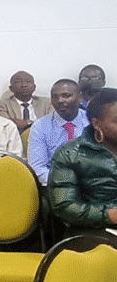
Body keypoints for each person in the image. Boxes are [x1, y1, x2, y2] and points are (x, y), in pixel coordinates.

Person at [48, 87, 117, 247]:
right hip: (90, 231)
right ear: (96, 123)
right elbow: (64, 206)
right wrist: (108, 215)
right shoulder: (70, 153)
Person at [28, 79, 90, 185]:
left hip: (91, 182)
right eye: (54, 96)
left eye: (66, 95)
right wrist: (66, 184)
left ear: (80, 97)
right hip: (56, 184)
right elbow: (37, 167)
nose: (59, 100)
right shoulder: (40, 126)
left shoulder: (92, 121)